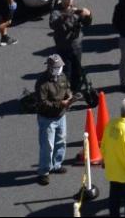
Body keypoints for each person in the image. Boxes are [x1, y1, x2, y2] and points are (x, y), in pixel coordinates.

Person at [31, 53, 75, 185]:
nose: (59, 69)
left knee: (61, 141)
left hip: (61, 115)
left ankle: (56, 165)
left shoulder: (62, 77)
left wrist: (70, 96)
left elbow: (67, 88)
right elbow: (43, 103)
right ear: (49, 68)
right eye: (57, 67)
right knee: (47, 146)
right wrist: (60, 104)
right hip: (47, 118)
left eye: (60, 66)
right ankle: (44, 171)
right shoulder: (42, 83)